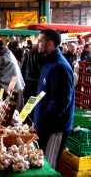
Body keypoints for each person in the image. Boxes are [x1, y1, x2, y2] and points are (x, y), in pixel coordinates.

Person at [34, 29, 74, 170]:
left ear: (49, 44)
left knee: (49, 167)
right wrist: (32, 117)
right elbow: (42, 93)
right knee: (41, 163)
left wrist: (42, 120)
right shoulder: (48, 63)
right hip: (43, 126)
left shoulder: (60, 67)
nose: (37, 44)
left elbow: (61, 102)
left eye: (40, 41)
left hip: (54, 128)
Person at [0, 40, 25, 111]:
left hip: (13, 87)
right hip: (17, 84)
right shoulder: (8, 53)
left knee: (13, 112)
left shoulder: (2, 58)